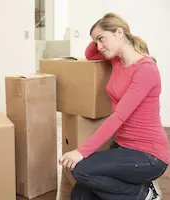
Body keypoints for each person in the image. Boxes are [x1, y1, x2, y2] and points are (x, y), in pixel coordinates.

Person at [59, 13, 169, 200]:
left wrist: (81, 151)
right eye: (96, 41)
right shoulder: (116, 60)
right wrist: (98, 32)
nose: (99, 47)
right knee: (80, 195)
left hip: (149, 155)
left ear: (120, 32)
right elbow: (89, 54)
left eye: (102, 39)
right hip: (122, 146)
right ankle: (133, 185)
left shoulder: (146, 70)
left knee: (81, 171)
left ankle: (145, 194)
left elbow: (119, 116)